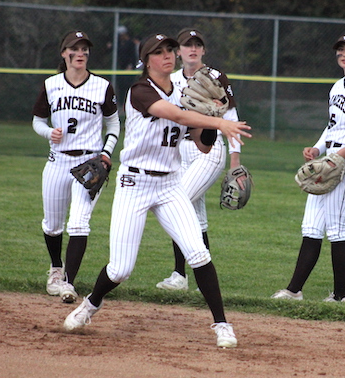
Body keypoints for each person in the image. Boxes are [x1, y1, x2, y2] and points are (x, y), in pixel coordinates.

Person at [63, 33, 251, 348]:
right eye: (159, 52)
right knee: (121, 269)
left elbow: (202, 146)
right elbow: (175, 115)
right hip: (134, 184)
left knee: (198, 253)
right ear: (146, 60)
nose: (168, 56)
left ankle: (222, 324)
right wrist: (220, 124)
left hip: (169, 184)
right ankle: (92, 303)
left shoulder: (183, 91)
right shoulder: (140, 91)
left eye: (170, 51)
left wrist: (212, 116)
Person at [271, 33, 345, 302]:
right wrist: (318, 149)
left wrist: (339, 155)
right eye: (341, 50)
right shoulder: (338, 86)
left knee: (337, 230)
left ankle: (341, 296)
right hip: (329, 162)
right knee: (310, 227)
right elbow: (333, 127)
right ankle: (294, 290)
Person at [32, 30, 120, 304]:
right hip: (57, 160)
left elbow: (114, 124)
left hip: (89, 163)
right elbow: (37, 121)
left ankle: (68, 283)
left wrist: (106, 153)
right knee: (53, 225)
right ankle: (56, 269)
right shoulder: (51, 85)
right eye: (75, 48)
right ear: (64, 53)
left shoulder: (102, 86)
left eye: (84, 49)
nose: (80, 53)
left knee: (79, 224)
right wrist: (48, 133)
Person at [156, 28, 243, 292]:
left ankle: (180, 275)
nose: (192, 49)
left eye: (197, 45)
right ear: (178, 52)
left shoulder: (215, 77)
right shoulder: (169, 79)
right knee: (194, 216)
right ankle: (190, 277)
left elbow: (231, 118)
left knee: (177, 203)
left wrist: (235, 162)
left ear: (203, 50)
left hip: (209, 149)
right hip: (178, 152)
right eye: (186, 45)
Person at [115, 26, 139, 109]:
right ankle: (121, 104)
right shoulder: (119, 43)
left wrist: (130, 65)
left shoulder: (131, 43)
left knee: (128, 86)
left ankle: (129, 104)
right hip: (121, 68)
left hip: (129, 68)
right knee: (121, 86)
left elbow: (133, 56)